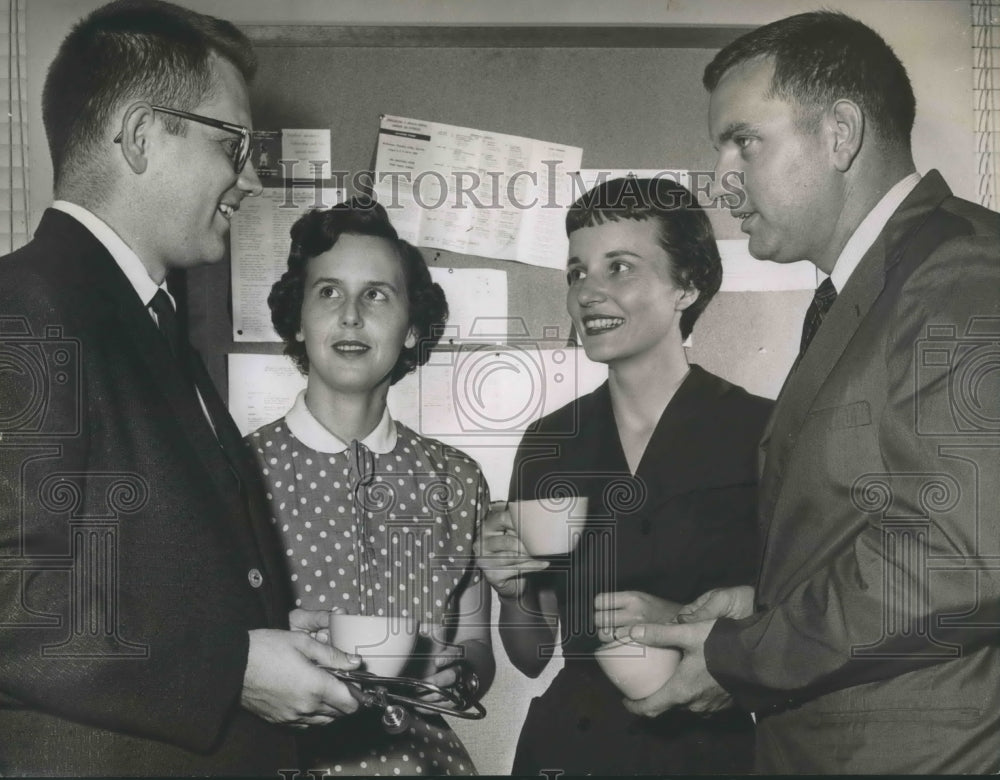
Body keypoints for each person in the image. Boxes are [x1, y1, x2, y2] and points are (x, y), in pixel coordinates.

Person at [620, 12, 1000, 774]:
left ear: (840, 134)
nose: (722, 176)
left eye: (743, 141)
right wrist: (765, 602)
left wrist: (745, 651)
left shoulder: (960, 276)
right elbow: (882, 522)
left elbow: (959, 560)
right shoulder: (877, 285)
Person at [0, 1, 365, 774]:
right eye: (234, 145)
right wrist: (230, 667)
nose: (253, 178)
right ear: (138, 136)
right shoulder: (27, 309)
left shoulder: (141, 318)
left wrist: (263, 633)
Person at [476, 177, 773, 775]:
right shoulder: (548, 444)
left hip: (710, 753)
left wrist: (684, 622)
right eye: (577, 272)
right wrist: (511, 592)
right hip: (571, 750)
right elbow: (531, 654)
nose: (588, 293)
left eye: (620, 268)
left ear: (685, 285)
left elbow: (804, 616)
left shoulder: (762, 431)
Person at [248, 198, 495, 776]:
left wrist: (457, 672)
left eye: (377, 294)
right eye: (328, 292)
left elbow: (477, 647)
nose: (351, 315)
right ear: (299, 321)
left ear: (411, 331)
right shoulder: (235, 471)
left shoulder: (456, 479)